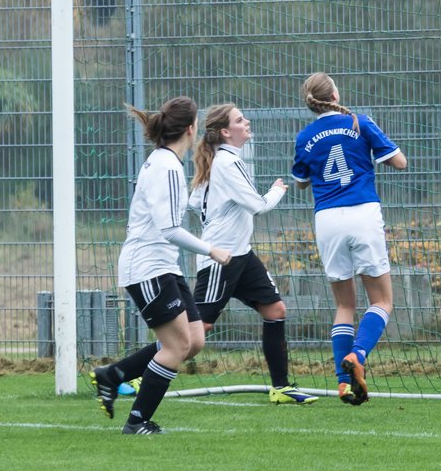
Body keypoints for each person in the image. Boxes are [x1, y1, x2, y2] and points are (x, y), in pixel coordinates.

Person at [91, 97, 232, 434]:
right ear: (191, 128)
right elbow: (169, 229)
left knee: (193, 340)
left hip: (164, 266)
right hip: (148, 268)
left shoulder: (164, 161)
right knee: (177, 346)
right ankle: (137, 422)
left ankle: (114, 375)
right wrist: (211, 250)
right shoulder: (167, 166)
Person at [189, 103, 317, 405]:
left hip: (241, 255)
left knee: (276, 311)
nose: (246, 122)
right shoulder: (225, 162)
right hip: (222, 257)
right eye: (239, 119)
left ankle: (281, 387)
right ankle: (128, 373)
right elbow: (258, 206)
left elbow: (195, 201)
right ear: (225, 131)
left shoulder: (225, 161)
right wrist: (277, 190)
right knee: (198, 330)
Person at [291, 73, 406, 405]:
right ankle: (358, 354)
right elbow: (400, 162)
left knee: (344, 304)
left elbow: (301, 181)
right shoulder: (359, 122)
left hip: (327, 220)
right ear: (335, 94)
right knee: (382, 301)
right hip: (362, 214)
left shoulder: (304, 136)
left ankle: (342, 382)